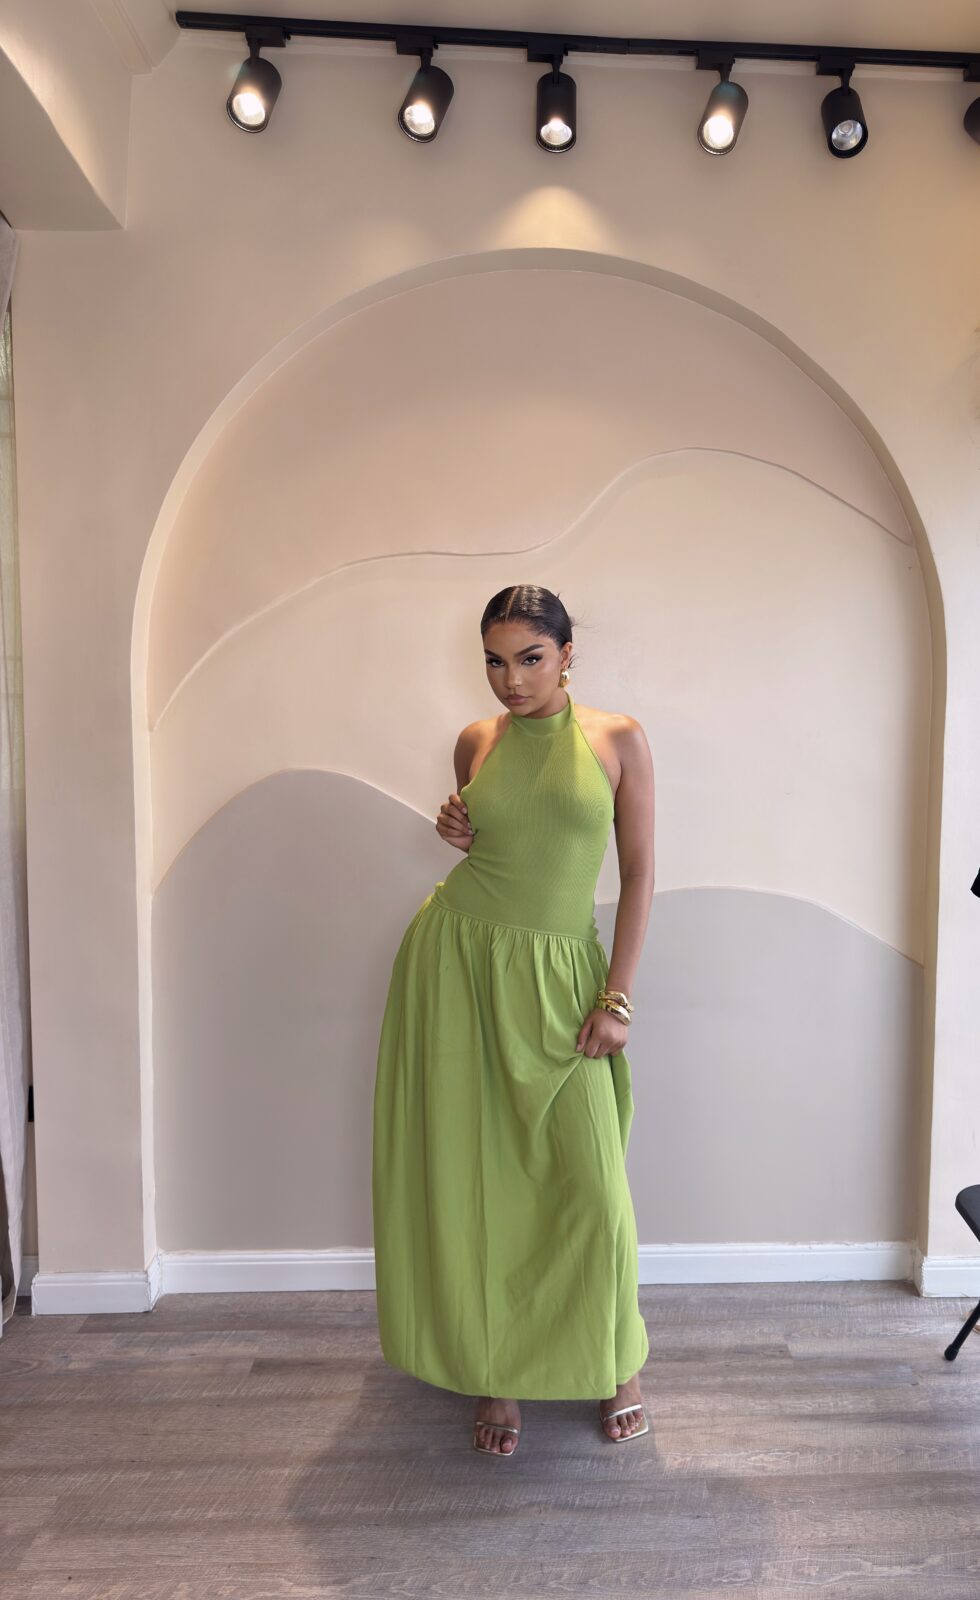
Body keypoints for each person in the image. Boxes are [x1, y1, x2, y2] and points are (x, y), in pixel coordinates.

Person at [372, 585, 655, 1454]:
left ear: (567, 654)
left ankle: (618, 1366)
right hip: (458, 968)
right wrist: (461, 829)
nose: (511, 680)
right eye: (494, 662)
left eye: (530, 658)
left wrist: (616, 997)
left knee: (594, 1190)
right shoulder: (477, 742)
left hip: (562, 979)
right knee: (482, 1181)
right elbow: (491, 836)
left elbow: (639, 873)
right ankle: (497, 1372)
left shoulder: (617, 739)